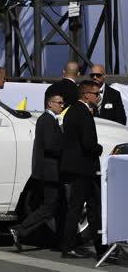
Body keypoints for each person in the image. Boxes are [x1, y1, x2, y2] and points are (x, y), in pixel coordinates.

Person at [10, 93, 65, 251]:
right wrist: (66, 149)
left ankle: (26, 231)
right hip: (49, 171)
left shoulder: (48, 120)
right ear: (50, 104)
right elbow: (50, 146)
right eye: (59, 102)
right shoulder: (47, 120)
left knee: (48, 205)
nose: (62, 105)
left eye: (62, 103)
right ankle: (20, 230)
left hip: (48, 171)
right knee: (49, 206)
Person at [60, 80, 107, 259]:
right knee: (89, 209)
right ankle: (76, 246)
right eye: (96, 93)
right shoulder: (83, 113)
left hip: (76, 168)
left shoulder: (72, 111)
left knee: (77, 208)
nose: (98, 96)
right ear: (86, 94)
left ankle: (78, 246)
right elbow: (88, 145)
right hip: (85, 169)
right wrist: (99, 148)